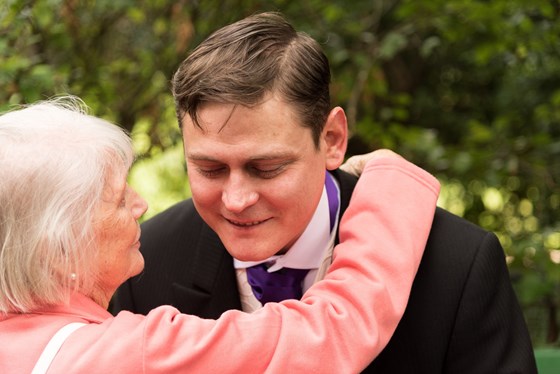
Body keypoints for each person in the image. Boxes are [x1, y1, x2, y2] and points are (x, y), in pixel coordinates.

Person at [113, 12, 537, 373]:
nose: (236, 199)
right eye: (210, 168)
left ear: (332, 139)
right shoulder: (146, 266)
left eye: (266, 168)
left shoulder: (457, 266)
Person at [0, 97, 440, 373]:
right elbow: (330, 336)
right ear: (58, 247)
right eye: (117, 200)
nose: (141, 204)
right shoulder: (129, 353)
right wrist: (392, 184)